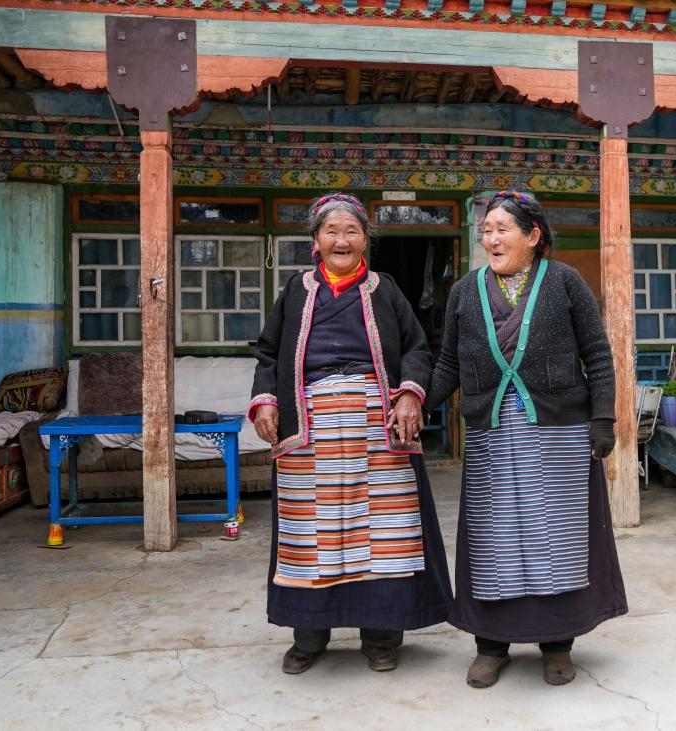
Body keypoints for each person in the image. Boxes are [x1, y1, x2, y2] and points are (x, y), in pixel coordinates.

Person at [425, 190, 627, 688]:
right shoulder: (465, 292)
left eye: (503, 229)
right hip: (492, 435)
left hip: (559, 432)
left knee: (557, 537)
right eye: (486, 231)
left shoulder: (565, 281)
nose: (492, 239)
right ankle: (491, 645)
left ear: (533, 236)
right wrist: (418, 403)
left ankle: (558, 644)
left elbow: (598, 354)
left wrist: (603, 418)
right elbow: (448, 363)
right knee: (493, 540)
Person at [249, 193, 452, 675]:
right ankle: (309, 637)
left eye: (352, 231)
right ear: (316, 240)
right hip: (310, 424)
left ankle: (382, 637)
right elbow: (269, 353)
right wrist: (266, 400)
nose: (342, 240)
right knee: (310, 534)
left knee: (383, 534)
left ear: (365, 240)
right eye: (332, 231)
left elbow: (417, 348)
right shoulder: (296, 291)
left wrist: (410, 394)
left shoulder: (385, 289)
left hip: (377, 424)